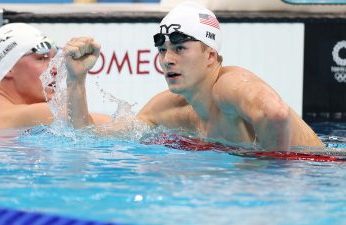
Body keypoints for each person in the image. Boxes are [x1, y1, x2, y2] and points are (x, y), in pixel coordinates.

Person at [66, 1, 323, 151]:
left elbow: (274, 113)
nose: (167, 59)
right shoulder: (168, 108)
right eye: (163, 50)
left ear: (211, 56)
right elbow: (88, 136)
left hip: (321, 171)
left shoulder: (228, 86)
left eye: (180, 49)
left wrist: (268, 179)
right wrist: (76, 80)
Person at [0, 23, 110, 128]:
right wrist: (76, 80)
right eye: (41, 58)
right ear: (9, 69)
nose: (54, 69)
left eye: (53, 58)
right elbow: (86, 132)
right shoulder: (34, 114)